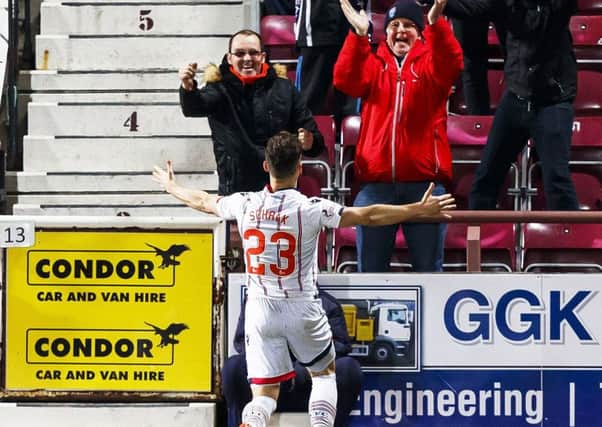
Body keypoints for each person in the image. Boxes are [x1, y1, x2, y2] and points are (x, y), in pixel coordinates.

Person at [153, 130, 455, 427]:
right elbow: (368, 215)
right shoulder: (311, 208)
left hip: (260, 309)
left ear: (266, 166)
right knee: (324, 375)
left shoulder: (244, 203)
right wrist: (415, 209)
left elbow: (203, 200)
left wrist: (171, 187)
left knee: (264, 394)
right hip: (302, 306)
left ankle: (253, 423)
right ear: (300, 167)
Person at [333, 0, 463, 272]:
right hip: (376, 186)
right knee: (369, 272)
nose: (400, 30)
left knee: (428, 272)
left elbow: (451, 62)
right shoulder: (373, 64)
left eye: (408, 25)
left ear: (419, 32)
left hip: (424, 186)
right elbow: (345, 79)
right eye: (394, 25)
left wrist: (436, 23)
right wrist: (358, 37)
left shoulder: (431, 65)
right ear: (386, 33)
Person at [424, 0, 579, 210]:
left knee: (557, 182)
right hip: (516, 98)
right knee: (484, 180)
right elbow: (470, 8)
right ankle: (478, 239)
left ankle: (569, 241)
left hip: (553, 102)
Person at [178, 29, 325, 196]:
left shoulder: (285, 89)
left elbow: (315, 141)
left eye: (253, 53)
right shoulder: (219, 88)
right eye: (240, 54)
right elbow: (194, 107)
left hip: (281, 191)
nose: (247, 59)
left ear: (262, 57)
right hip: (235, 192)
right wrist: (188, 87)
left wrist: (309, 141)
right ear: (229, 58)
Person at [222, 287, 363, 427]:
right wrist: (278, 359)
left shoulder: (327, 304)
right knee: (233, 366)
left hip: (309, 384)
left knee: (349, 368)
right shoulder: (256, 302)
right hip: (268, 381)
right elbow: (241, 342)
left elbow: (341, 345)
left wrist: (303, 364)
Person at [295, 0, 361, 123]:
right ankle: (307, 140)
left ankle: (350, 141)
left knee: (351, 109)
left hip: (353, 22)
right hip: (314, 29)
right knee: (308, 104)